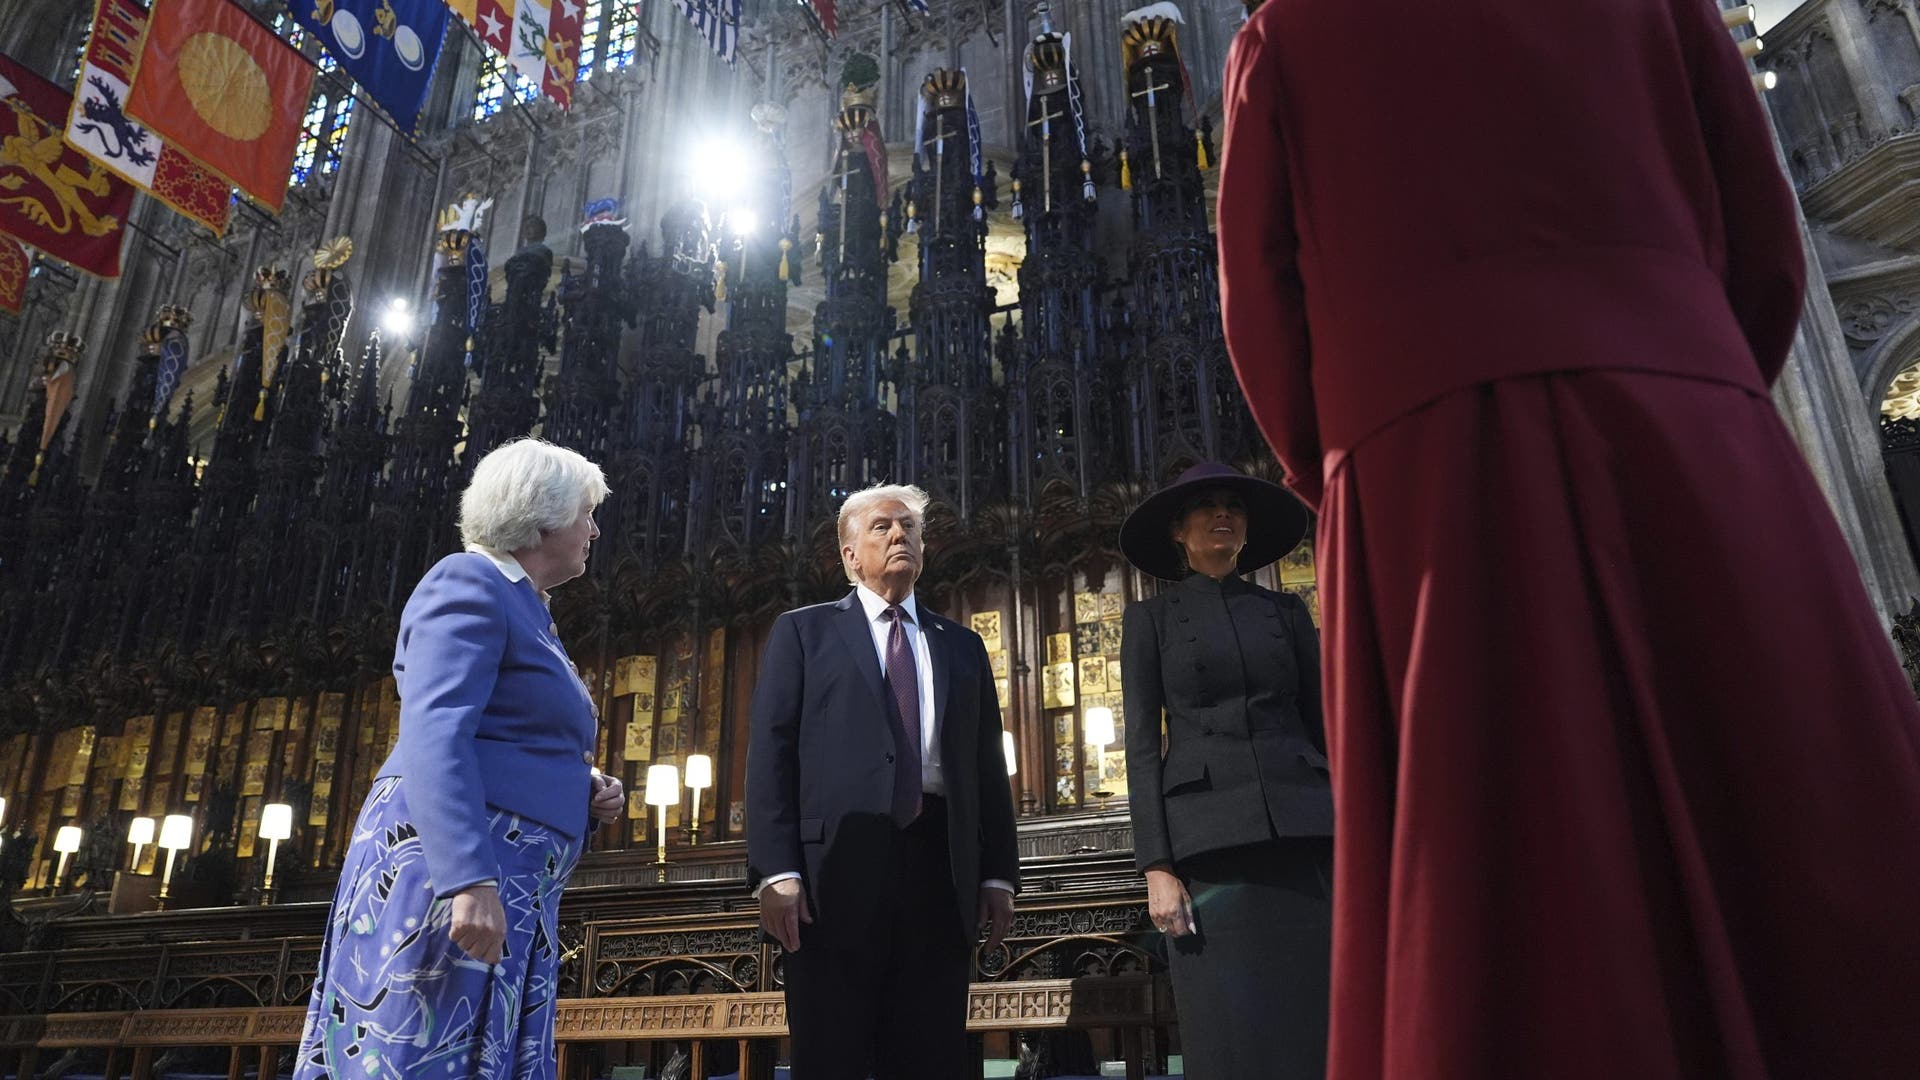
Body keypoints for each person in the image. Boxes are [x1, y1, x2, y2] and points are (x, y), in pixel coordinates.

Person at [1215, 2, 1920, 1078]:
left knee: (1491, 865)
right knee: (1796, 824)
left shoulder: (1291, 34)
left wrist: (1361, 456)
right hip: (1683, 429)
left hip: (1426, 475)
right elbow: (1763, 236)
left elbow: (1262, 311)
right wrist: (1688, 378)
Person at [294, 438, 622, 1080]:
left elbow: (502, 730)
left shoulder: (529, 608)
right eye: (586, 511)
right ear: (542, 513)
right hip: (446, 866)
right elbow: (436, 729)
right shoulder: (468, 580)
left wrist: (577, 784)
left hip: (511, 879)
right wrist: (467, 879)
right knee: (416, 1051)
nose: (594, 527)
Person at [746, 482, 1021, 1080]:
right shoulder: (804, 633)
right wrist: (776, 871)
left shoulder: (962, 645)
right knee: (832, 1053)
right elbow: (772, 753)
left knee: (929, 1052)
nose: (900, 535)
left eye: (910, 528)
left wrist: (998, 871)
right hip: (831, 877)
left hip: (938, 866)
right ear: (849, 555)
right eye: (882, 527)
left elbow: (986, 767)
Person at [1119, 462, 1331, 1080]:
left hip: (1306, 831)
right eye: (1207, 506)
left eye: (1233, 506)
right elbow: (1139, 748)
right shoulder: (1150, 621)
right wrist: (1157, 867)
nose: (1222, 515)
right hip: (1207, 840)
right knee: (1227, 1023)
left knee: (1313, 1012)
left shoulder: (1285, 611)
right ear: (1179, 533)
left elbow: (1323, 725)